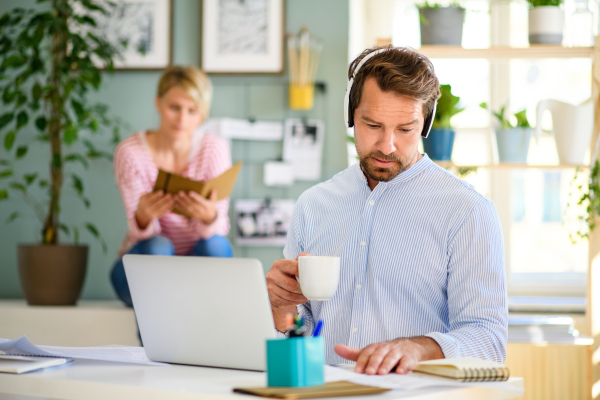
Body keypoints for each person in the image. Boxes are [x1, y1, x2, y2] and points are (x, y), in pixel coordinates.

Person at [266, 46, 507, 376]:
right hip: (322, 392)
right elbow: (302, 329)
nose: (387, 145)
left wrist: (416, 348)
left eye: (405, 129)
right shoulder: (314, 205)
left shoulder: (467, 211)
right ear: (351, 116)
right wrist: (282, 308)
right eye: (372, 124)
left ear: (425, 124)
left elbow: (489, 340)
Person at [111, 65, 233, 307]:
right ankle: (154, 343)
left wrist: (209, 217)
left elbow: (219, 228)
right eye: (174, 108)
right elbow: (139, 234)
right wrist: (143, 217)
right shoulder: (131, 152)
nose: (182, 119)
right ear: (158, 103)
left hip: (195, 266)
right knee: (158, 246)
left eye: (192, 111)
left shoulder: (214, 149)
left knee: (215, 244)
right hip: (142, 264)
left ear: (203, 114)